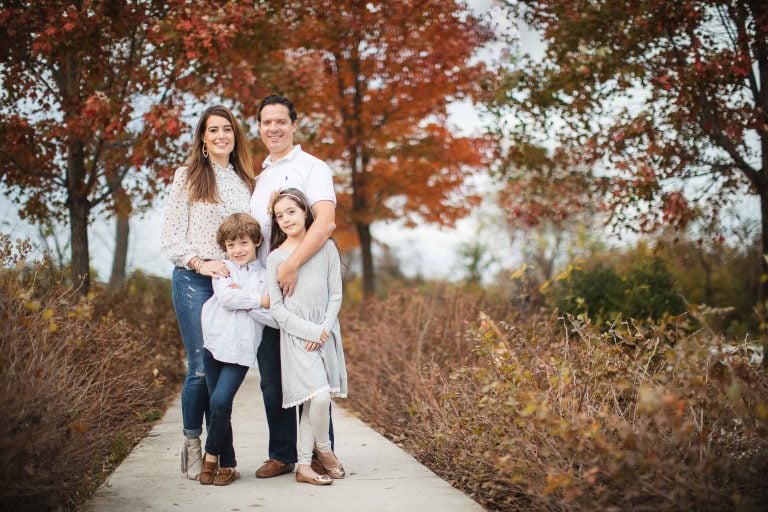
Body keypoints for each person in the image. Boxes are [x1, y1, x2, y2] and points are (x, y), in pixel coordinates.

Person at [160, 105, 255, 480]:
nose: (220, 136)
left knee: (221, 374)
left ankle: (222, 459)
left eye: (227, 129)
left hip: (232, 285)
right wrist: (200, 263)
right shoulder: (188, 177)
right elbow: (170, 237)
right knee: (200, 368)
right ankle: (192, 444)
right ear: (202, 138)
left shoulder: (244, 180)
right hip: (195, 280)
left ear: (235, 136)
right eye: (212, 130)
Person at [249, 94, 337, 479]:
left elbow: (325, 223)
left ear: (294, 124)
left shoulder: (312, 167)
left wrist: (293, 265)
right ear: (259, 128)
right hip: (272, 290)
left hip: (303, 287)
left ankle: (320, 452)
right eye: (266, 122)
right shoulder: (261, 175)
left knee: (314, 378)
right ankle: (283, 454)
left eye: (280, 121)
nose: (273, 128)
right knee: (272, 379)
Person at [266, 188, 347, 485]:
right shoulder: (276, 259)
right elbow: (277, 308)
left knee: (313, 401)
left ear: (305, 213)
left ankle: (303, 467)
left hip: (325, 332)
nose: (286, 219)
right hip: (297, 337)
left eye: (291, 211)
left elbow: (335, 295)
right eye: (279, 215)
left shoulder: (325, 248)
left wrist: (323, 330)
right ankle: (324, 451)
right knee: (320, 395)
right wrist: (310, 331)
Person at [198, 213, 277, 486]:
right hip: (213, 343)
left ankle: (210, 456)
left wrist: (251, 302)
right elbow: (226, 297)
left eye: (243, 242)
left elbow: (273, 315)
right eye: (231, 245)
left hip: (241, 350)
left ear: (256, 241)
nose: (237, 250)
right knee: (217, 406)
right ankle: (228, 465)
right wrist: (259, 301)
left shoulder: (266, 275)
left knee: (221, 401)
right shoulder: (222, 268)